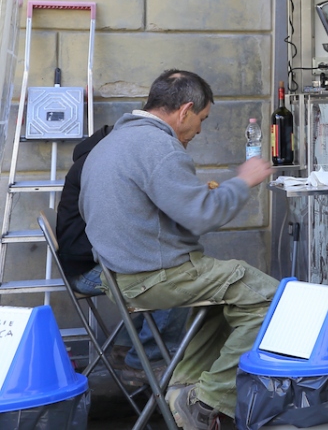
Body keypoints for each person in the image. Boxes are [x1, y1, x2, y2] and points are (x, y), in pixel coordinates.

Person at [81, 70, 276, 430]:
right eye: (202, 119)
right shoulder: (159, 146)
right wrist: (243, 180)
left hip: (119, 275)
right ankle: (208, 399)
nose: (199, 130)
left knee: (227, 299)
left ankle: (184, 391)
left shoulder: (111, 142)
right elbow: (203, 216)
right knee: (271, 300)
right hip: (154, 277)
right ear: (185, 110)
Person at [55, 124, 188, 378]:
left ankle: (126, 346)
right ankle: (146, 360)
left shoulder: (101, 156)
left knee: (163, 269)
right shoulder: (104, 164)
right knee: (177, 282)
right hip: (87, 269)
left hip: (86, 261)